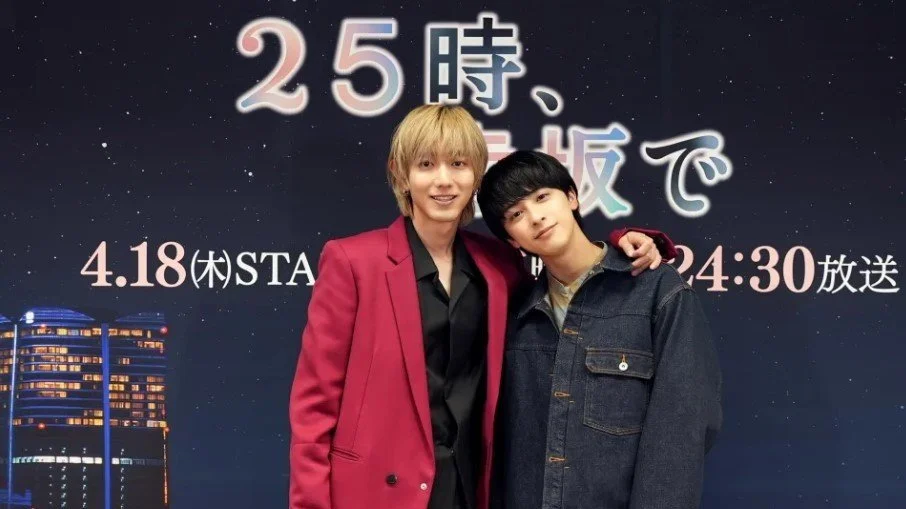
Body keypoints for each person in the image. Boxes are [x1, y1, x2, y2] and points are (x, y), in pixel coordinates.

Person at [289, 105, 676, 509]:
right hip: (377, 492)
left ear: (475, 174)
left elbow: (569, 287)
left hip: (471, 489)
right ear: (401, 174)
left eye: (458, 164)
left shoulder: (498, 264)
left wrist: (624, 243)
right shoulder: (353, 262)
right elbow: (314, 405)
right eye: (426, 164)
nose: (444, 180)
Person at [477, 150, 722, 509]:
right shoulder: (514, 315)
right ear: (511, 239)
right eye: (516, 214)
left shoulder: (656, 292)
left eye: (542, 197)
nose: (536, 217)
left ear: (571, 196)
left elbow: (682, 428)